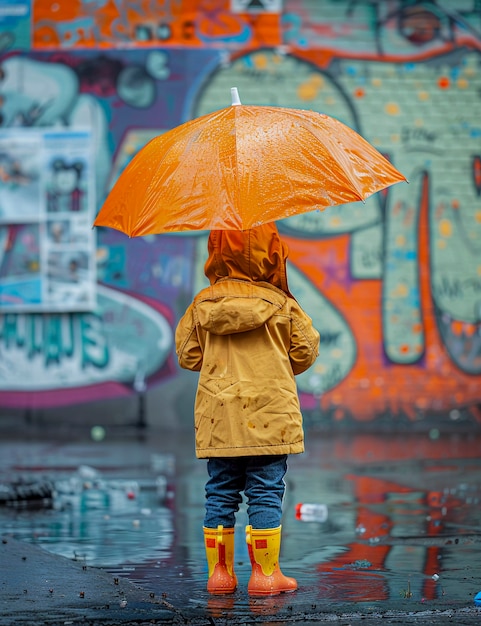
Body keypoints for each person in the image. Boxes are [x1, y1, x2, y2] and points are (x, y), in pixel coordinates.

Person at [175, 222, 320, 596]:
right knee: (266, 491)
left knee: (220, 491)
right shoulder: (281, 304)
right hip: (270, 417)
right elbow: (306, 351)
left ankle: (219, 575)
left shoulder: (202, 304)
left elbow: (188, 355)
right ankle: (265, 575)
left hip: (219, 419)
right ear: (271, 253)